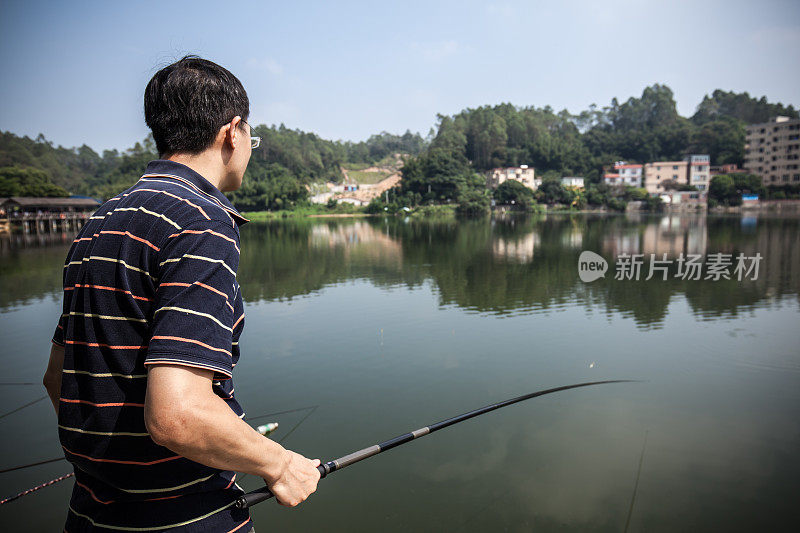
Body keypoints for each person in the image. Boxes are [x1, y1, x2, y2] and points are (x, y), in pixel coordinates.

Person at [42, 55, 320, 532]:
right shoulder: (199, 220)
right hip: (184, 517)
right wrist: (279, 464)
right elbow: (178, 415)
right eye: (251, 138)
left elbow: (57, 380)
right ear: (232, 133)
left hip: (90, 513)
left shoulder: (100, 222)